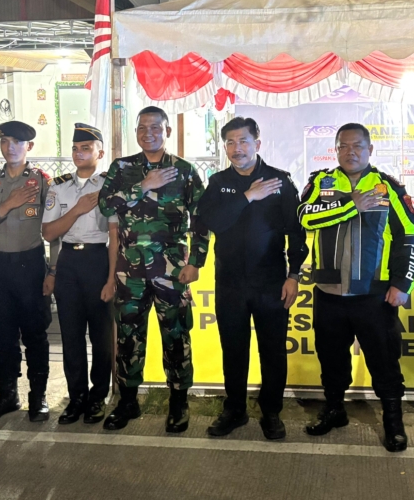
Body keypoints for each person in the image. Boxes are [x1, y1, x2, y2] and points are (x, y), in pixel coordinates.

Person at [298, 122, 414, 453]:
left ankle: (393, 422)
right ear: (336, 149)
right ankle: (334, 409)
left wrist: (402, 283)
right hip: (329, 293)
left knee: (384, 360)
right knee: (331, 359)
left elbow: (409, 233)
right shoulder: (321, 183)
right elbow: (305, 218)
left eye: (357, 146)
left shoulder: (387, 187)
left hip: (373, 294)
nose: (350, 152)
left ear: (369, 150)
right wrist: (351, 205)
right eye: (343, 146)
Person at [98, 106, 208, 434]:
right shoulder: (122, 168)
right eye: (142, 128)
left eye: (155, 127)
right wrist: (143, 185)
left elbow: (201, 220)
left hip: (171, 272)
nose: (149, 133)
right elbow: (105, 205)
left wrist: (195, 262)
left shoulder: (184, 171)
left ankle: (179, 403)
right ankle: (128, 401)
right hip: (129, 272)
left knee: (176, 335)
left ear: (167, 131)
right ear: (136, 132)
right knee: (128, 337)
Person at [197, 117, 307, 440]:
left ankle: (271, 412)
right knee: (233, 350)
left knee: (273, 351)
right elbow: (211, 221)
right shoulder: (218, 183)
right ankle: (235, 409)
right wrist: (247, 196)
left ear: (257, 143)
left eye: (243, 141)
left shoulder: (279, 181)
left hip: (271, 282)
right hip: (229, 283)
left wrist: (294, 275)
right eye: (230, 142)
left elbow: (296, 233)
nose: (237, 149)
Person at [0, 121, 53, 423]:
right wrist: (6, 205)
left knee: (35, 333)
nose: (10, 147)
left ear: (29, 146)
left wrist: (53, 270)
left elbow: (54, 228)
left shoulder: (42, 182)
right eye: (5, 141)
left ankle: (38, 397)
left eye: (17, 142)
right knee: (2, 334)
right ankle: (8, 395)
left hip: (30, 264)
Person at [42, 123, 112, 426]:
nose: (79, 153)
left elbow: (115, 235)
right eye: (75, 148)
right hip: (69, 261)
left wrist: (111, 278)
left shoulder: (108, 186)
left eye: (86, 148)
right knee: (71, 336)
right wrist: (78, 209)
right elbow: (49, 233)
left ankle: (98, 397)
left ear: (100, 153)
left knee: (101, 336)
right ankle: (77, 398)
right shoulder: (58, 187)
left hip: (98, 260)